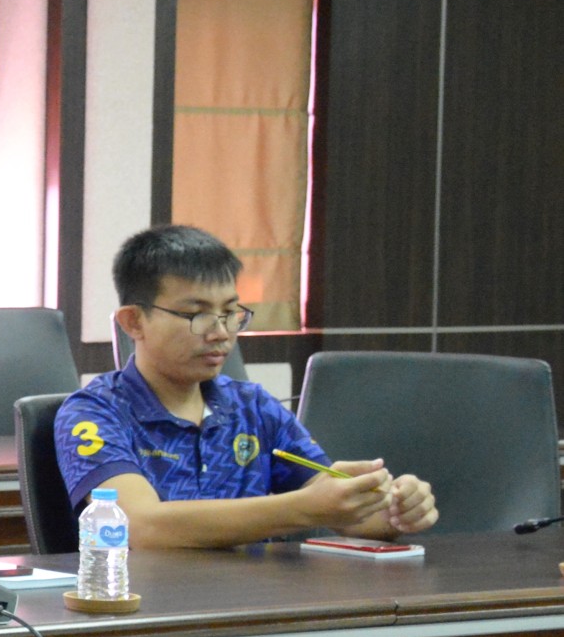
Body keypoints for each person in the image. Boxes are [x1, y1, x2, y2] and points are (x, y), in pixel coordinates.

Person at [56, 225, 436, 548]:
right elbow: (136, 527)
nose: (221, 333)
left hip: (255, 600)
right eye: (196, 314)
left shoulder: (252, 406)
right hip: (151, 603)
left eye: (229, 313)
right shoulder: (94, 412)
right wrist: (304, 508)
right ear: (133, 322)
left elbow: (339, 508)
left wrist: (393, 509)